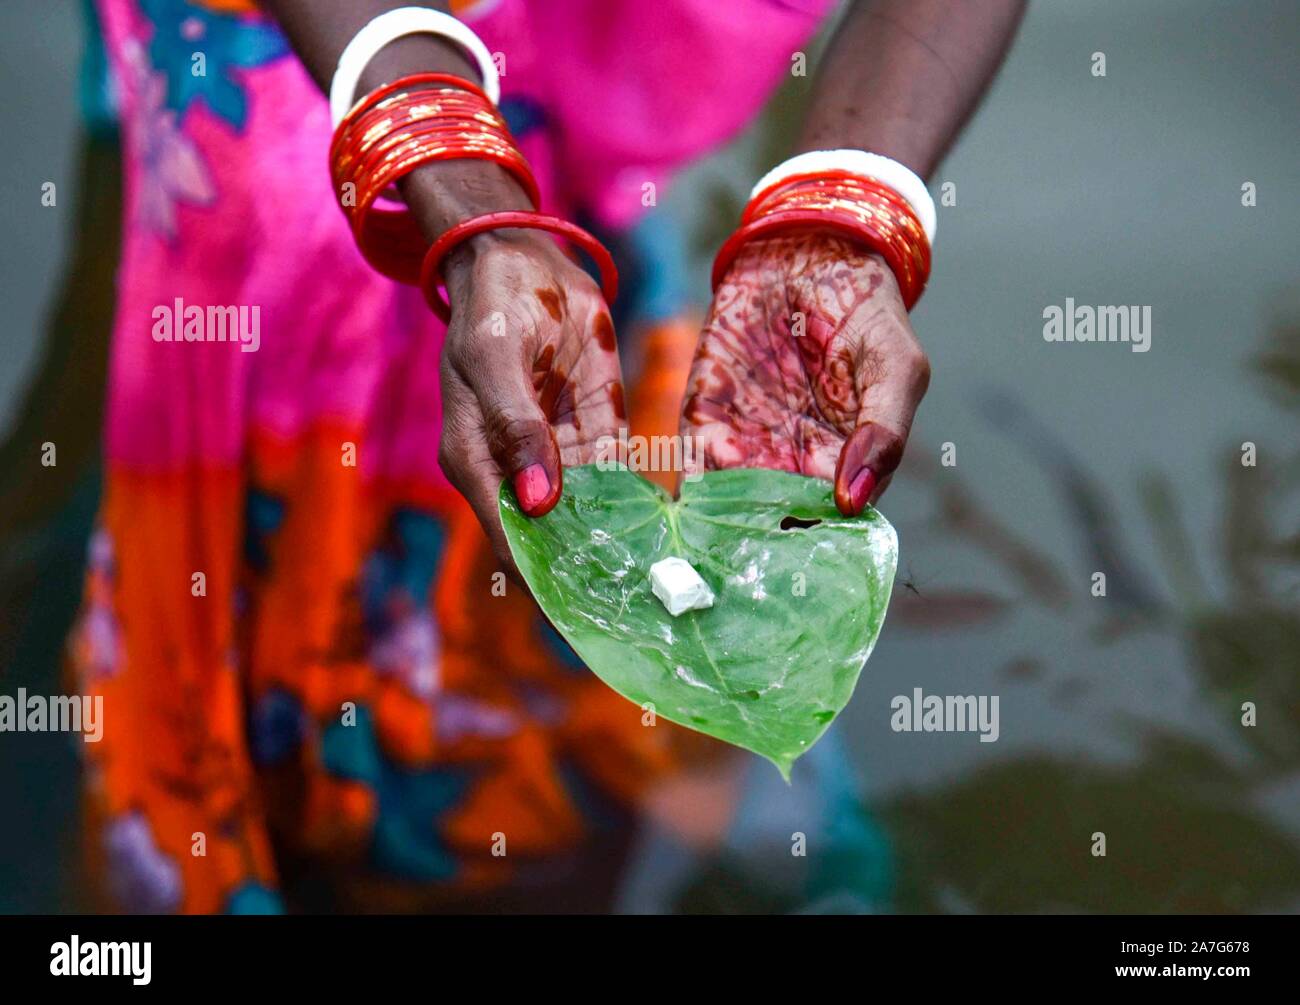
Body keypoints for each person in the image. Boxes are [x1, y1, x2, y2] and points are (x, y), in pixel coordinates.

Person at [69, 0, 1023, 913]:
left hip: (558, 61)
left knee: (554, 344)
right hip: (281, 85)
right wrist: (467, 203)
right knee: (289, 258)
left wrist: (844, 214)